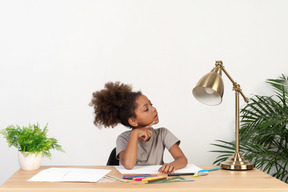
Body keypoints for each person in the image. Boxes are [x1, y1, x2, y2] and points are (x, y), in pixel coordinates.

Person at [90, 82, 187, 174]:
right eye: (146, 109)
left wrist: (171, 165)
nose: (153, 109)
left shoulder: (163, 134)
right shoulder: (123, 139)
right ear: (133, 121)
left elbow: (182, 159)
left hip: (155, 183)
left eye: (151, 104)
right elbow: (128, 164)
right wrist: (134, 134)